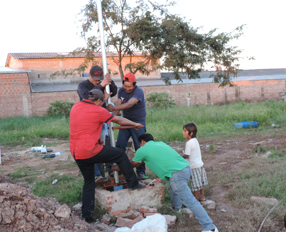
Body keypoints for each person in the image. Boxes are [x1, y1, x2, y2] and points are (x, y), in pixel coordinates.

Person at [113, 133, 218, 232]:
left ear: (143, 142)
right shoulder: (161, 144)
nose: (140, 146)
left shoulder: (142, 149)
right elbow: (141, 163)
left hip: (176, 174)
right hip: (185, 168)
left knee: (191, 201)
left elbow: (134, 164)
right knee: (173, 187)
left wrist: (118, 167)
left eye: (140, 144)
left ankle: (210, 227)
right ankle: (177, 210)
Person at [70, 89, 145, 223]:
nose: (102, 105)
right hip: (90, 150)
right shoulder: (98, 111)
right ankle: (133, 183)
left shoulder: (76, 106)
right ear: (98, 101)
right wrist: (134, 124)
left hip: (76, 152)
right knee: (120, 154)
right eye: (102, 102)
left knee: (88, 182)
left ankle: (87, 217)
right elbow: (118, 119)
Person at [77, 65, 118, 182]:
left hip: (103, 118)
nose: (97, 81)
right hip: (89, 121)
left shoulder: (102, 82)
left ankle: (110, 169)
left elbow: (113, 92)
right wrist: (101, 85)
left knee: (107, 143)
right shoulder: (83, 86)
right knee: (94, 146)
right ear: (89, 75)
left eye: (99, 78)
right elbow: (88, 97)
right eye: (95, 79)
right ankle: (96, 174)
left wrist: (110, 81)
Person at [107, 72, 147, 179]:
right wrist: (113, 117)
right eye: (125, 86)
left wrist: (113, 108)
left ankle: (141, 172)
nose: (127, 88)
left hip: (138, 123)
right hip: (125, 122)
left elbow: (130, 104)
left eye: (129, 86)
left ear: (134, 84)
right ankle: (120, 169)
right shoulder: (121, 91)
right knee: (120, 145)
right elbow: (119, 105)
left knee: (139, 147)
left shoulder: (139, 91)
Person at [182, 122, 208, 202]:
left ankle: (195, 201)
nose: (183, 133)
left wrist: (179, 156)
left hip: (193, 166)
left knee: (195, 185)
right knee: (201, 182)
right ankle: (202, 196)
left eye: (185, 131)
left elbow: (187, 155)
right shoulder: (195, 140)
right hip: (200, 164)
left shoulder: (188, 143)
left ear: (191, 133)